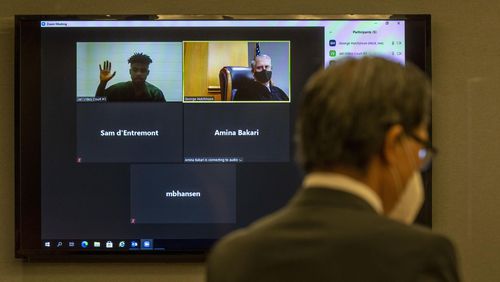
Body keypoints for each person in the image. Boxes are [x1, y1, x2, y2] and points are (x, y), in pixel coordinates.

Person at [207, 57, 460, 282]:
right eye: (420, 151)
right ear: (392, 145)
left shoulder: (232, 258)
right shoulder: (421, 257)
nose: (419, 166)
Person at [95, 52, 165, 102]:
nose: (138, 74)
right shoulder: (117, 89)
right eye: (135, 70)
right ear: (130, 72)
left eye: (143, 70)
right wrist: (103, 83)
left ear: (148, 73)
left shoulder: (156, 94)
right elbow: (97, 103)